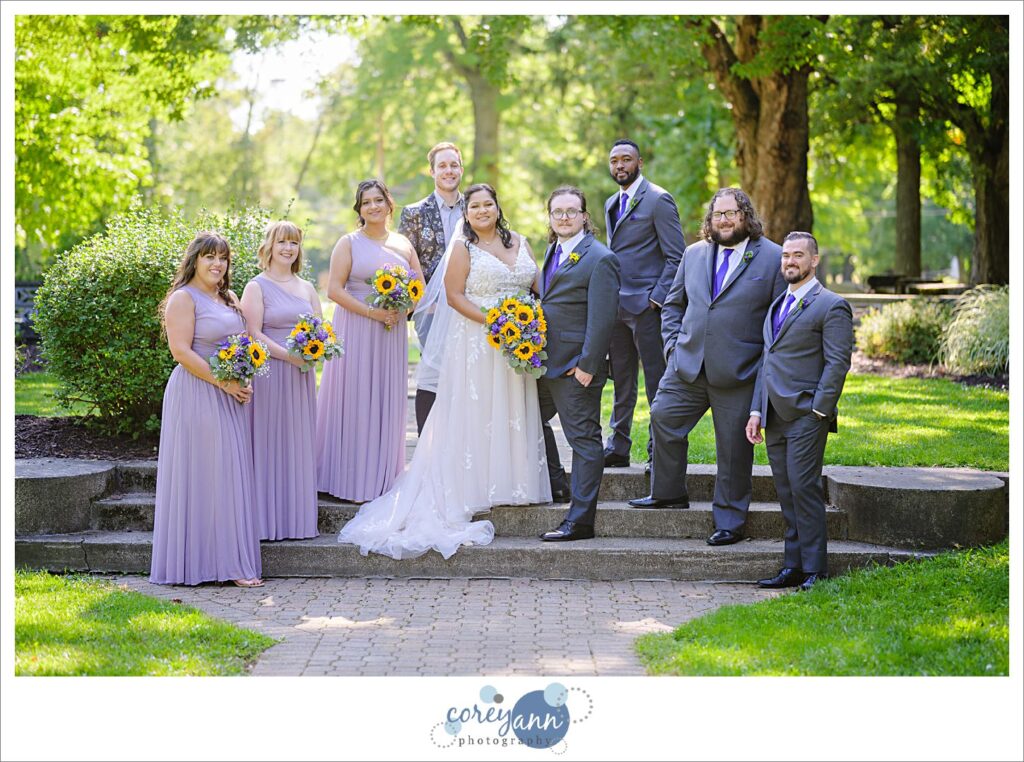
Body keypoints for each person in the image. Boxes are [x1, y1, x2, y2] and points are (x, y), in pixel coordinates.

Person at [338, 183, 551, 559]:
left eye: (488, 204)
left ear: (498, 207)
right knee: (477, 411)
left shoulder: (520, 241)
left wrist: (527, 325)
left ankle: (511, 483)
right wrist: (498, 322)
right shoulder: (462, 247)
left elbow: (536, 286)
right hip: (478, 342)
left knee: (510, 410)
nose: (482, 211)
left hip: (516, 345)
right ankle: (472, 485)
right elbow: (453, 296)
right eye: (474, 206)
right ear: (466, 214)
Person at [629, 188, 786, 548]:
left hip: (739, 372)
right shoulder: (693, 253)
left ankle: (730, 521)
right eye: (718, 214)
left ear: (746, 215)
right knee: (663, 417)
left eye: (732, 213)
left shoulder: (772, 258)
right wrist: (672, 347)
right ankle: (668, 492)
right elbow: (673, 304)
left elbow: (779, 323)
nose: (725, 220)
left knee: (733, 450)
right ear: (710, 220)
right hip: (686, 367)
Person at [149, 232, 263, 588]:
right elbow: (181, 352)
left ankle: (228, 561)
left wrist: (243, 377)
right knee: (205, 474)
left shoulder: (228, 297)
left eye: (223, 258)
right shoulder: (183, 299)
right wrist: (223, 382)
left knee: (227, 474)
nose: (217, 264)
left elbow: (242, 344)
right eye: (210, 257)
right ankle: (207, 564)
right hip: (197, 392)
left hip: (227, 394)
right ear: (195, 260)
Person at [746, 232, 853, 591]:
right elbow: (767, 361)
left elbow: (837, 364)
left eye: (798, 255)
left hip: (807, 415)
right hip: (774, 416)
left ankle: (816, 570)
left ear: (814, 260)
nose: (789, 261)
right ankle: (792, 566)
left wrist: (819, 412)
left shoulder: (831, 305)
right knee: (785, 491)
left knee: (804, 489)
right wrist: (757, 411)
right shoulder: (779, 304)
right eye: (786, 256)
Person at [316, 180, 424, 502]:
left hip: (391, 332)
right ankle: (345, 477)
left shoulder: (404, 244)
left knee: (385, 398)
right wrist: (371, 313)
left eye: (378, 200)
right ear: (359, 209)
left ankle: (381, 476)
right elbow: (334, 290)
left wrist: (405, 305)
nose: (373, 206)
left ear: (389, 204)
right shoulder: (348, 243)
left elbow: (418, 285)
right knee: (355, 397)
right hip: (356, 328)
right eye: (366, 202)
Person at [537, 186, 621, 542]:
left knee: (584, 442)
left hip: (576, 368)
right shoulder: (552, 250)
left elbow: (603, 319)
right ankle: (558, 485)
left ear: (585, 216)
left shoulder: (599, 258)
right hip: (543, 364)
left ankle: (581, 520)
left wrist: (588, 365)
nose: (565, 217)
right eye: (558, 212)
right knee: (525, 420)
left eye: (572, 211)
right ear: (550, 218)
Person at [602, 139, 686, 471]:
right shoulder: (611, 202)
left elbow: (676, 256)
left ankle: (659, 452)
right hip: (617, 308)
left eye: (626, 159)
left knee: (656, 383)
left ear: (640, 162)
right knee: (621, 381)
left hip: (648, 309)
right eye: (614, 161)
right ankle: (618, 446)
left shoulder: (658, 200)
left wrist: (656, 299)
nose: (620, 165)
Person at [241, 221, 321, 541]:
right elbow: (253, 333)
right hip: (270, 374)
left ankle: (295, 521)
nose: (288, 248)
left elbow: (320, 330)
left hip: (301, 377)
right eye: (282, 242)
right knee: (269, 442)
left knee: (296, 444)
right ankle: (264, 522)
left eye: (294, 243)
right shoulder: (256, 286)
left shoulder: (307, 288)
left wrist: (314, 352)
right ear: (269, 247)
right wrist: (289, 355)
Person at [399, 141, 466, 433]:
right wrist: (425, 303)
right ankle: (430, 442)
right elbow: (405, 266)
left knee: (467, 376)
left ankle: (463, 439)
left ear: (461, 169)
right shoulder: (414, 213)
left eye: (454, 165)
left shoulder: (478, 206)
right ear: (432, 171)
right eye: (442, 165)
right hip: (431, 313)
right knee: (433, 377)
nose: (448, 170)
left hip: (469, 309)